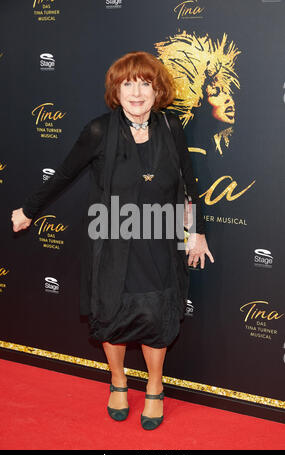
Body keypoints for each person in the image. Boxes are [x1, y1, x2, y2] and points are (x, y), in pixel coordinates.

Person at [11, 51, 214, 430]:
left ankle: (155, 384)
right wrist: (28, 210)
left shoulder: (172, 128)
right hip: (112, 239)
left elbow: (189, 185)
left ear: (158, 91)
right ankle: (118, 380)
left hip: (159, 238)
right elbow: (63, 175)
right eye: (128, 84)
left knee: (157, 316)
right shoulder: (99, 131)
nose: (136, 92)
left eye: (145, 84)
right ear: (116, 90)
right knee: (111, 315)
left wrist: (196, 233)